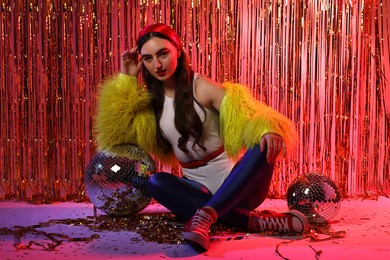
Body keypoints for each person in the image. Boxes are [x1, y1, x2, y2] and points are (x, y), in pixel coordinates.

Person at [95, 23, 309, 252]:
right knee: (156, 183)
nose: (157, 65)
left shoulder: (202, 87)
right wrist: (126, 78)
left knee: (262, 143)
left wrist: (268, 129)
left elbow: (248, 113)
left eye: (163, 54)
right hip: (195, 191)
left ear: (178, 50)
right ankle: (253, 221)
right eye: (148, 58)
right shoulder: (150, 104)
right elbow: (114, 138)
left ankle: (205, 215)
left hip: (240, 187)